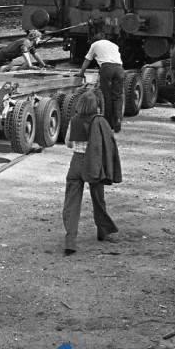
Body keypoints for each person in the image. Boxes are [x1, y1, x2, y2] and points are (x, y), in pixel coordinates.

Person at [62, 88, 121, 255]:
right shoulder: (100, 121)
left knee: (72, 203)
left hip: (76, 162)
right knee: (98, 198)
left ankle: (70, 241)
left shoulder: (74, 120)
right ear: (96, 106)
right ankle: (103, 232)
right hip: (94, 163)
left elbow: (68, 144)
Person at [77, 23, 125, 132]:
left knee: (106, 95)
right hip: (119, 69)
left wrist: (81, 73)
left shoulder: (95, 45)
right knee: (117, 96)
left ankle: (108, 123)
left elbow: (87, 60)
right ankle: (117, 120)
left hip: (107, 68)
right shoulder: (114, 45)